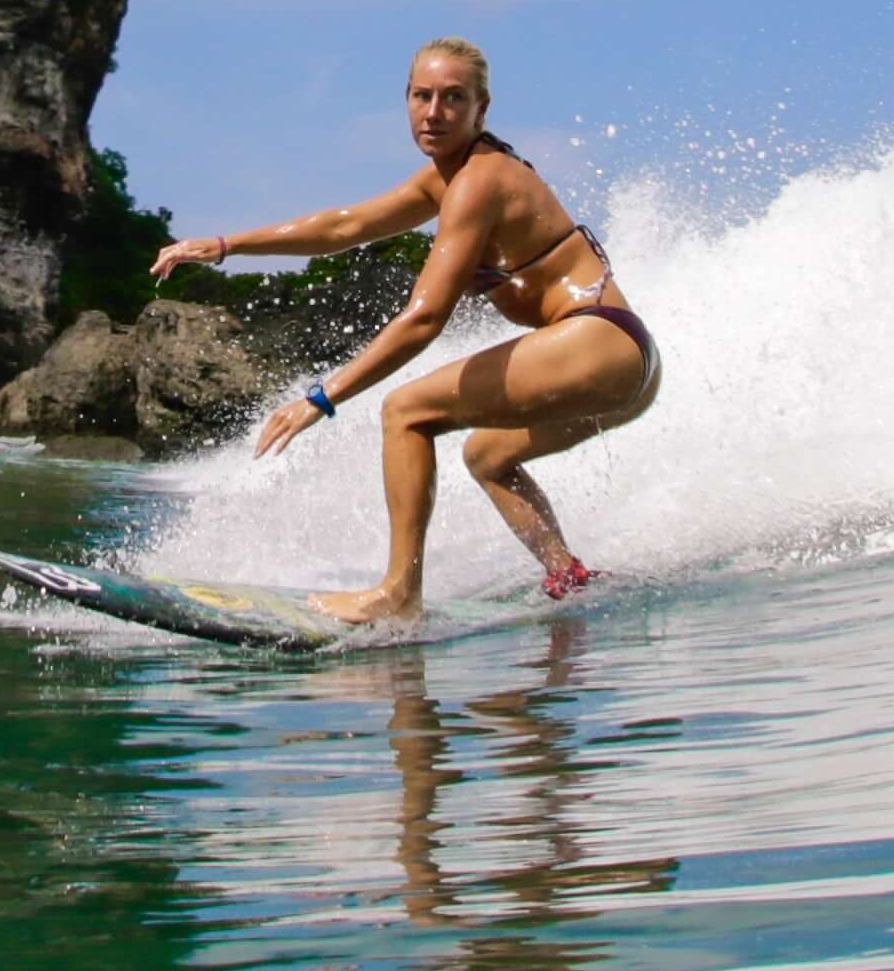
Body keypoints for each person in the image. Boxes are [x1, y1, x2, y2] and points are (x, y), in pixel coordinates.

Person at [148, 37, 662, 622]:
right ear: (407, 99)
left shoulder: (479, 181)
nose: (434, 112)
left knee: (405, 411)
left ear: (481, 109)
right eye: (423, 96)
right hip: (625, 359)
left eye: (453, 98)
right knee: (488, 455)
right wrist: (223, 245)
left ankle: (398, 594)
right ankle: (567, 574)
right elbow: (346, 226)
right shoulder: (445, 179)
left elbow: (424, 319)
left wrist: (321, 396)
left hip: (597, 340)